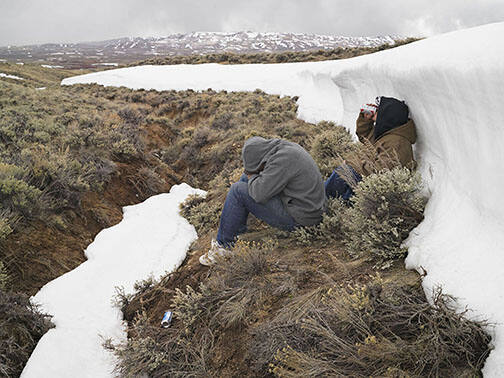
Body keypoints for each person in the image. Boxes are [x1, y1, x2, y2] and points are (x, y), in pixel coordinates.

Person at [200, 136, 326, 266]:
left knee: (237, 190)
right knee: (247, 179)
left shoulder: (282, 161)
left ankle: (224, 247)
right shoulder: (281, 149)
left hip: (303, 220)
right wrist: (252, 174)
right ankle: (235, 230)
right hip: (304, 206)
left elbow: (258, 194)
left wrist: (252, 175)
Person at [324, 96, 417, 200]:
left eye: (378, 111)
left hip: (377, 190)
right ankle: (323, 199)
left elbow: (382, 171)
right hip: (368, 181)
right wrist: (366, 119)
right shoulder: (388, 133)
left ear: (386, 115)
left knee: (343, 173)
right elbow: (366, 137)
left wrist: (353, 164)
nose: (375, 113)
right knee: (342, 174)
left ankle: (319, 202)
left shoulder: (397, 142)